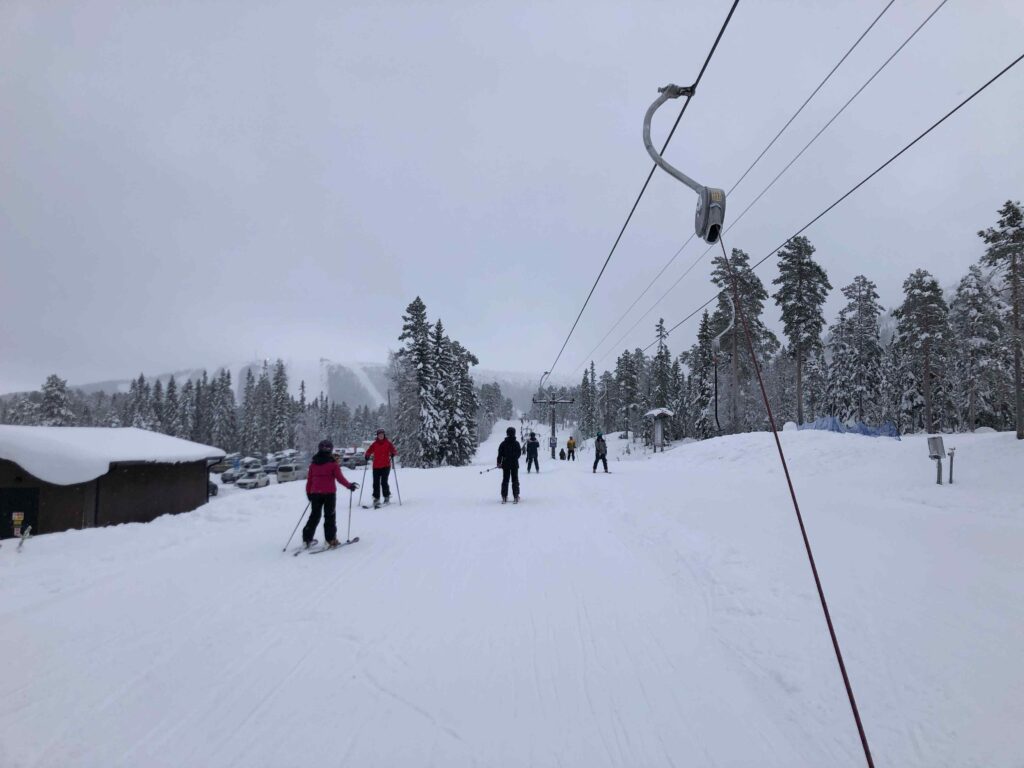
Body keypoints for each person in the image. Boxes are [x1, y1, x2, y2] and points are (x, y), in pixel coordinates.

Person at [304, 439, 358, 548]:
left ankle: (307, 539)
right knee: (329, 517)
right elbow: (340, 478)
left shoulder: (313, 464)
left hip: (315, 494)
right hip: (329, 494)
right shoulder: (332, 463)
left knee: (314, 516)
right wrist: (349, 486)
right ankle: (330, 540)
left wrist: (309, 493)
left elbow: (309, 480)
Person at [364, 429, 398, 509]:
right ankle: (376, 499)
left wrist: (393, 453)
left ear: (384, 435)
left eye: (382, 434)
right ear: (377, 435)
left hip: (386, 466)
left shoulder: (388, 443)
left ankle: (386, 497)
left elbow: (394, 450)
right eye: (379, 435)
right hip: (376, 466)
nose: (381, 436)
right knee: (375, 483)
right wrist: (367, 455)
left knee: (383, 482)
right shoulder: (374, 444)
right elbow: (369, 451)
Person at [497, 426, 522, 503]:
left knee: (505, 480)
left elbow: (500, 454)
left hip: (505, 464)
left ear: (507, 433)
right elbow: (519, 454)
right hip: (514, 464)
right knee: (515, 480)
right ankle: (516, 496)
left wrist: (499, 463)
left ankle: (504, 496)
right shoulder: (516, 443)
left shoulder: (503, 444)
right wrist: (513, 458)